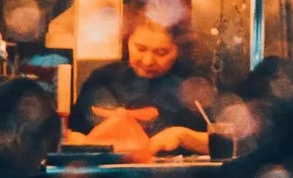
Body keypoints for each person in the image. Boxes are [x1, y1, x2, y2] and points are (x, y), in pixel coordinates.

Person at [72, 17, 210, 158]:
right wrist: (85, 143)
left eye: (161, 52)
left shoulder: (195, 83)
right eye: (140, 48)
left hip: (179, 176)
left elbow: (227, 140)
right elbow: (71, 133)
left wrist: (184, 136)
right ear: (128, 41)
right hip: (109, 175)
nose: (148, 61)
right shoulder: (103, 79)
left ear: (179, 50)